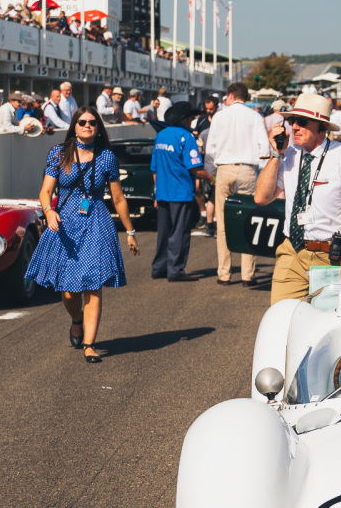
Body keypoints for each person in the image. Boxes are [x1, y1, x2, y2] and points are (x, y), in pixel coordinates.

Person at [27, 106, 139, 363]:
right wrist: (48, 211)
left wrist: (130, 232)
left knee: (93, 285)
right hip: (64, 222)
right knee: (68, 292)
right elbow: (46, 191)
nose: (87, 125)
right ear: (74, 126)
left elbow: (118, 198)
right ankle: (76, 319)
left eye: (92, 122)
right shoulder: (59, 153)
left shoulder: (107, 158)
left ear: (98, 127)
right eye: (82, 122)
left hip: (97, 222)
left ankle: (89, 344)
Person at [255, 93, 341, 304]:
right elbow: (261, 198)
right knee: (282, 320)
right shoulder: (290, 154)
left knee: (332, 326)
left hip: (332, 257)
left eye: (302, 122)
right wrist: (276, 155)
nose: (294, 128)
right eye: (292, 121)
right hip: (292, 252)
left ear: (322, 127)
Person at [207, 82, 270, 286]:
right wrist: (258, 167)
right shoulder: (255, 117)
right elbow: (264, 148)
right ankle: (247, 274)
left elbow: (211, 149)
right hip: (248, 168)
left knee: (223, 222)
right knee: (247, 220)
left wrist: (213, 172)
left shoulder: (219, 116)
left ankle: (224, 273)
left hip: (225, 167)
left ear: (231, 96)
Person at [151, 102, 212, 282]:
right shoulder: (187, 137)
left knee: (163, 232)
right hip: (180, 192)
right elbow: (195, 168)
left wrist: (156, 192)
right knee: (180, 232)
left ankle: (159, 268)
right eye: (191, 118)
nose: (192, 121)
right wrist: (212, 178)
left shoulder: (160, 136)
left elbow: (154, 169)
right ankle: (176, 270)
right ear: (184, 119)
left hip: (162, 192)